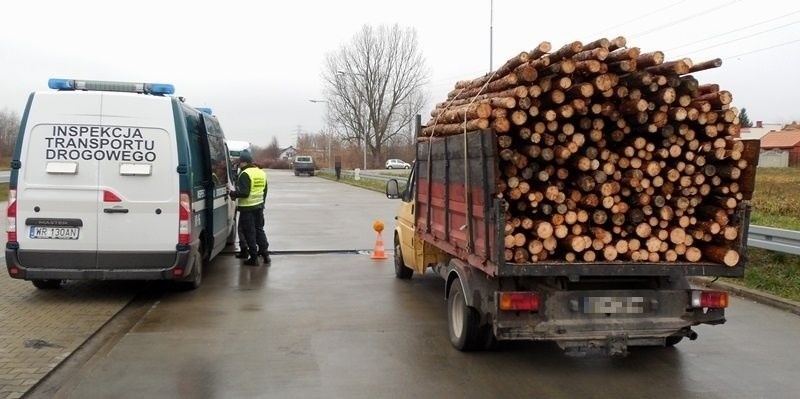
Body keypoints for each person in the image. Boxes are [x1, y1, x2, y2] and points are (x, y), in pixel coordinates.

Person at [227, 150, 270, 266]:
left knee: (249, 232)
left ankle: (254, 258)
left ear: (244, 162)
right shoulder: (261, 173)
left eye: (240, 162)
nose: (239, 164)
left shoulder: (244, 174)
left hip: (247, 208)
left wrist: (232, 193)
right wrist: (262, 204)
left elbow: (245, 193)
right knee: (259, 230)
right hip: (259, 207)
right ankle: (265, 254)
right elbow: (265, 191)